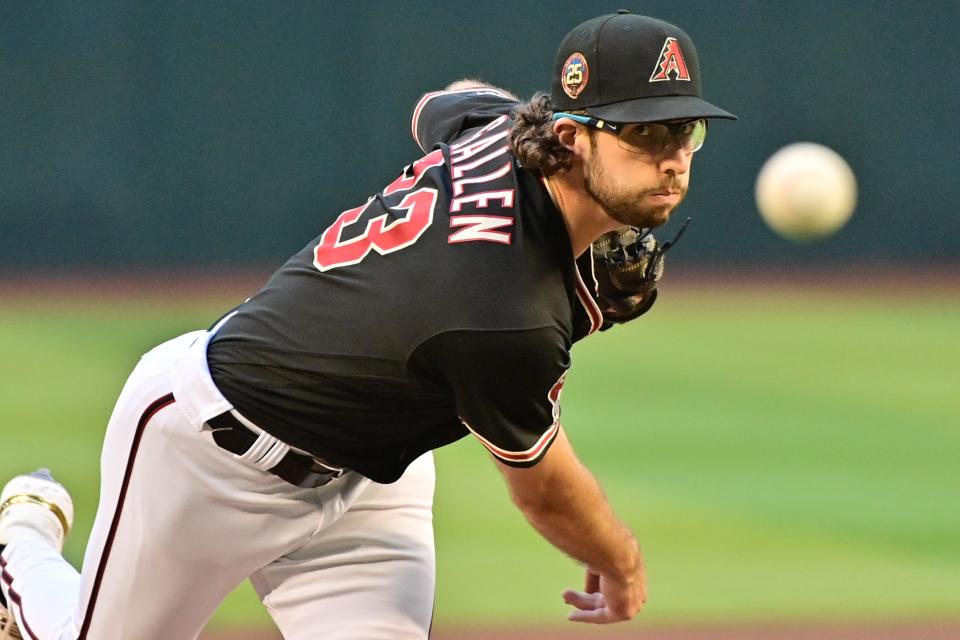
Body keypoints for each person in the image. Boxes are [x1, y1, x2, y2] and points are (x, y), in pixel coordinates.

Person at [0, 11, 735, 639]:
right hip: (209, 455)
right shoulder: (499, 316)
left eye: (686, 134)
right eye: (644, 134)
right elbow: (545, 491)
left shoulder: (514, 132)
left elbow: (439, 106)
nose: (672, 159)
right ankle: (21, 542)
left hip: (370, 481)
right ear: (573, 139)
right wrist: (622, 564)